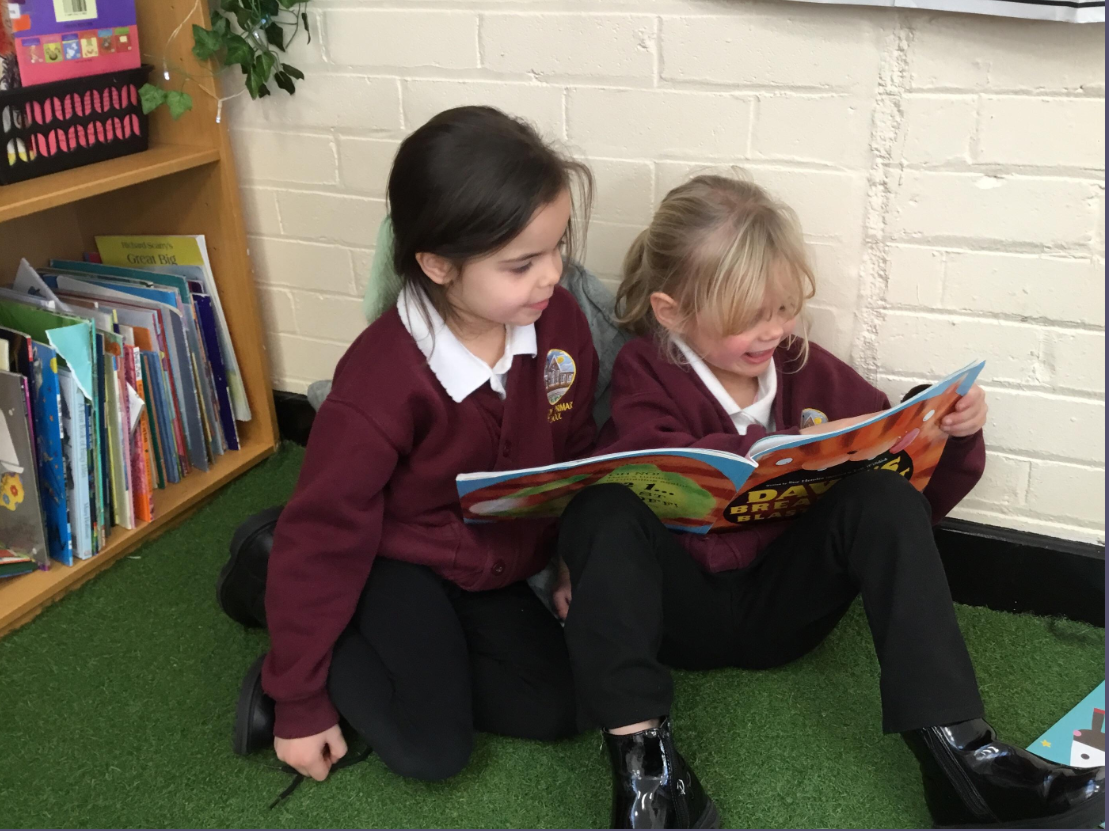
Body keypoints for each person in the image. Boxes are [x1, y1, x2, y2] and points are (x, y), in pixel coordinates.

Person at [553, 174, 1105, 829]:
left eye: (782, 310)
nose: (771, 332)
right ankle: (649, 776)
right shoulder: (647, 370)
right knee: (601, 509)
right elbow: (643, 478)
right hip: (683, 615)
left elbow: (904, 488)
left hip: (784, 606)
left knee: (878, 494)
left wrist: (948, 429)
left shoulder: (802, 365)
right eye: (745, 320)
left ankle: (962, 755)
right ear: (672, 312)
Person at [217, 105, 599, 786]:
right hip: (391, 559)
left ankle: (350, 631)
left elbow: (575, 456)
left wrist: (569, 563)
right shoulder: (381, 381)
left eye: (557, 246)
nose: (552, 274)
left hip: (492, 567)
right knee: (432, 750)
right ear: (437, 265)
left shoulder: (559, 321)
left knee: (567, 703)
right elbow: (328, 533)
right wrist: (300, 700)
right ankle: (269, 580)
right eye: (522, 264)